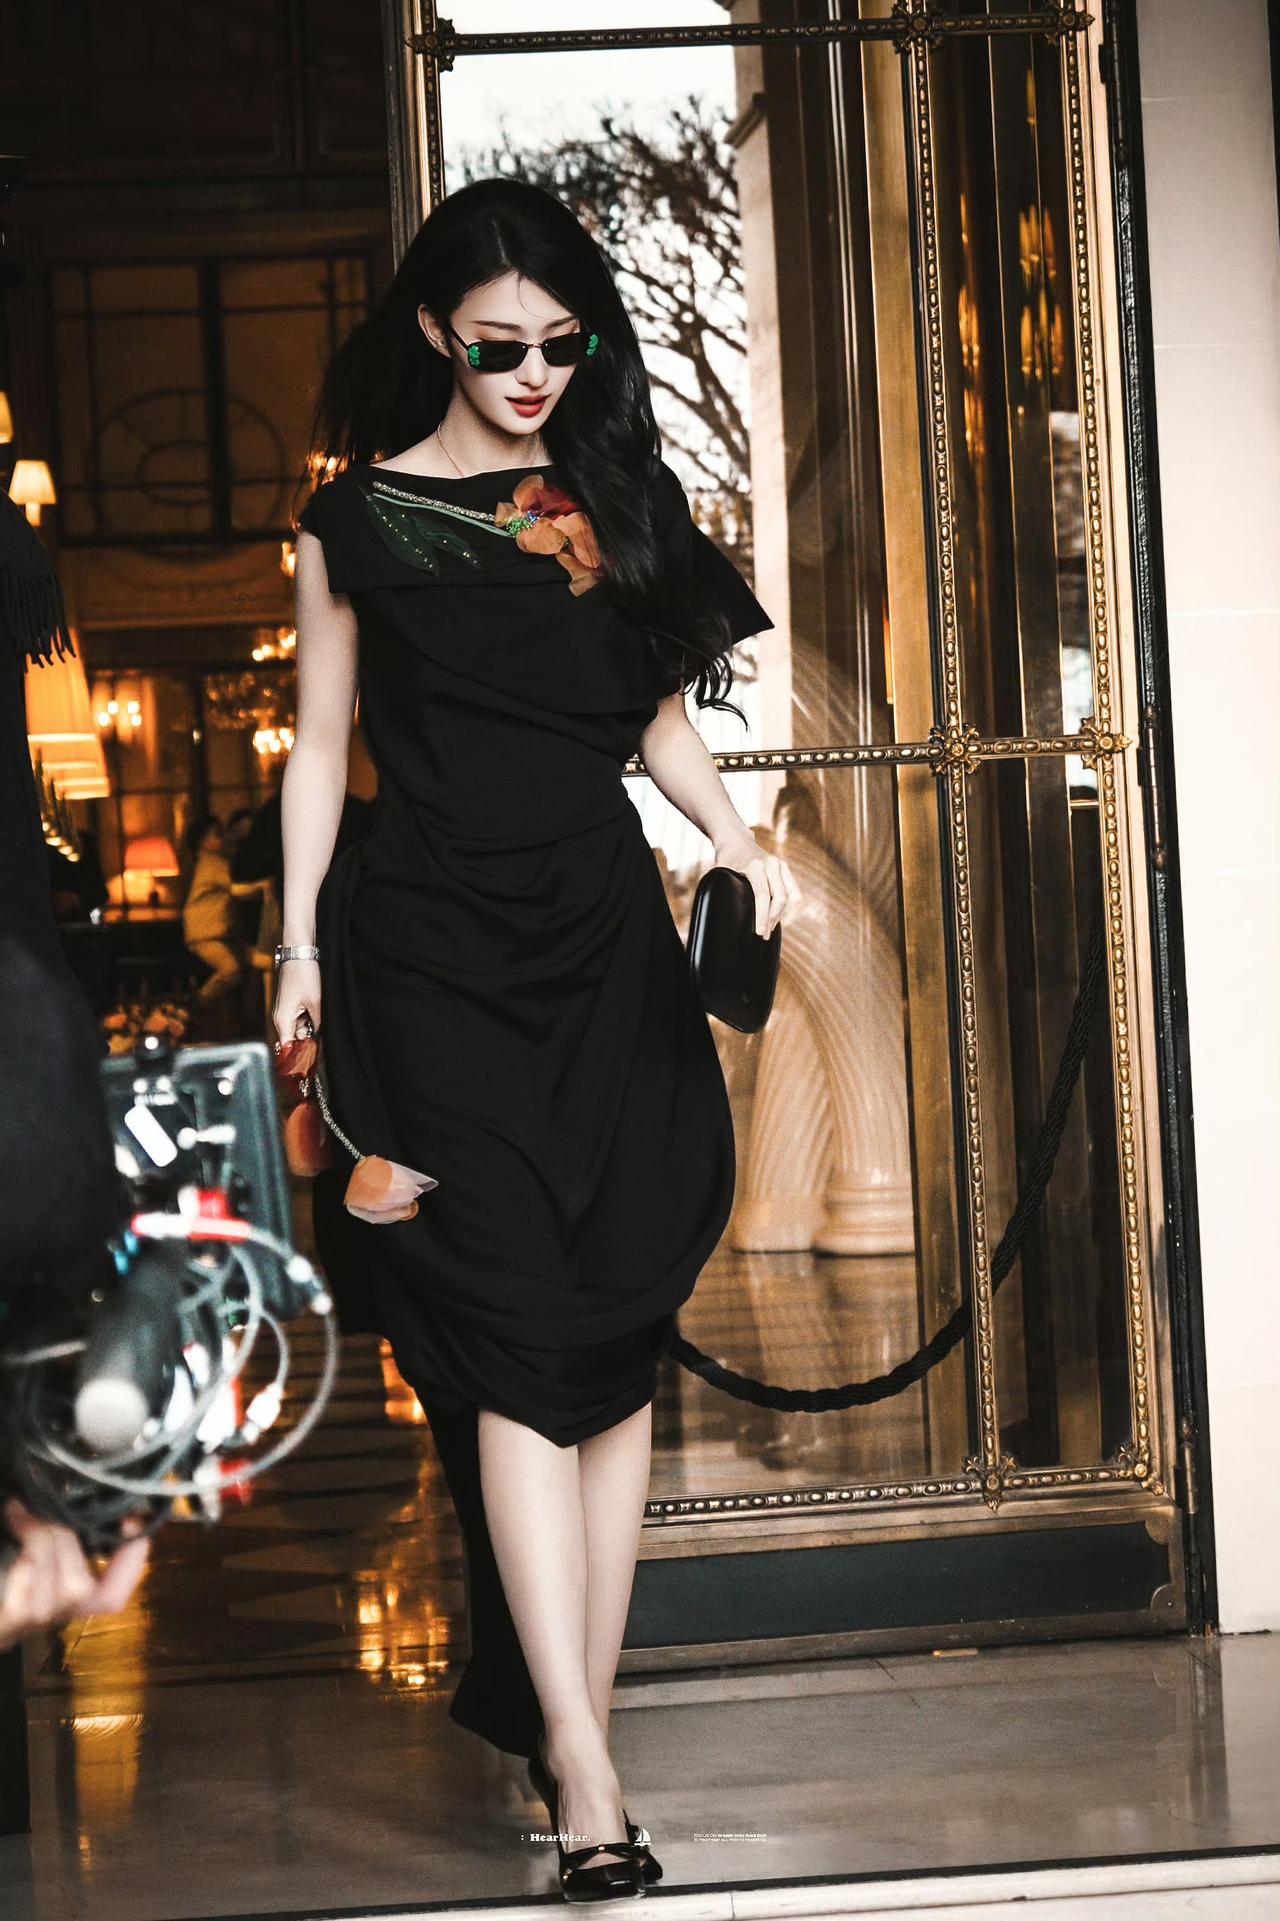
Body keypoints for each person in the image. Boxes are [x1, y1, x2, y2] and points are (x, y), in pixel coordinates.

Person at [274, 177, 799, 1901]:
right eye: (501, 344)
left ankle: (584, 1717)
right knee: (510, 1336)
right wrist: (294, 948)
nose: (534, 375)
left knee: (610, 1328)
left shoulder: (601, 497)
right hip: (430, 958)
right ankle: (582, 1762)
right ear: (438, 329)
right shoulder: (355, 522)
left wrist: (732, 839)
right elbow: (319, 746)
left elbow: (655, 718)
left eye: (564, 345)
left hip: (602, 953)